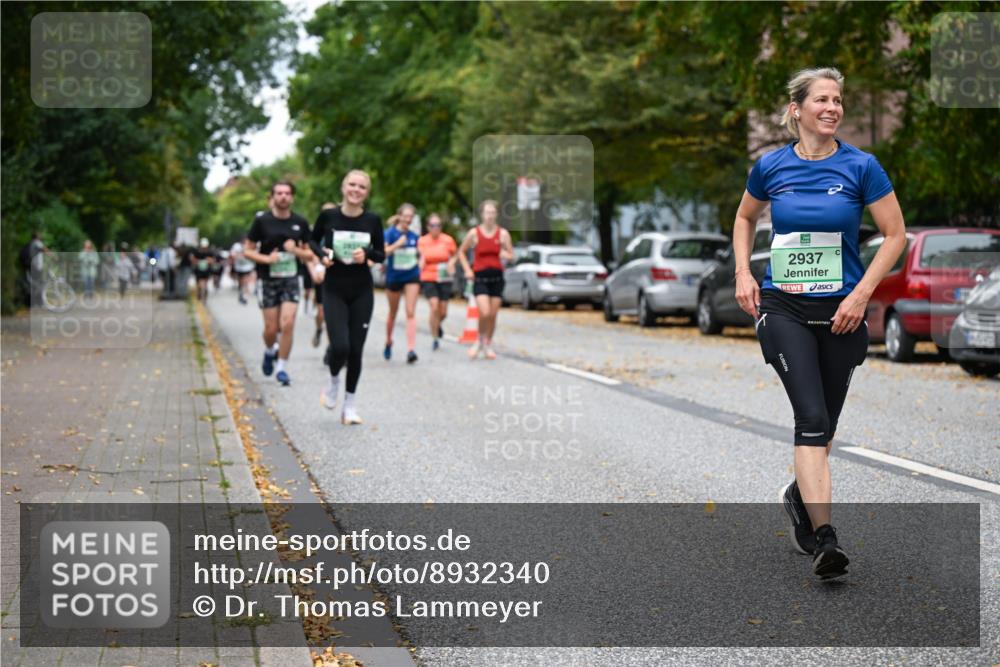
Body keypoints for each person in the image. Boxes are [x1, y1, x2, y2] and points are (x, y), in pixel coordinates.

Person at [733, 67, 906, 580]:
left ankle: (799, 496)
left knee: (824, 428)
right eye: (822, 99)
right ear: (797, 109)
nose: (832, 108)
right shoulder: (771, 166)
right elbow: (745, 217)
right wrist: (743, 272)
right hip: (783, 309)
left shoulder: (861, 167)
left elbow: (895, 235)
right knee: (810, 420)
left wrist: (861, 294)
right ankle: (826, 540)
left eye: (838, 100)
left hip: (842, 315)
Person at [310, 170, 385, 424]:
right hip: (334, 289)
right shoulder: (329, 216)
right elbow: (312, 241)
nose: (356, 190)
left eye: (362, 187)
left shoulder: (372, 220)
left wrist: (368, 255)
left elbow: (381, 253)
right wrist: (323, 255)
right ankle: (333, 382)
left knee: (356, 350)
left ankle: (350, 405)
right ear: (343, 188)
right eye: (352, 184)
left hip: (361, 290)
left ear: (367, 193)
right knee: (340, 346)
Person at [243, 182, 313, 386]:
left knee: (288, 323)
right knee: (271, 329)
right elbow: (247, 250)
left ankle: (282, 367)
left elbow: (310, 254)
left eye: (287, 193)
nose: (283, 196)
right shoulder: (262, 221)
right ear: (272, 197)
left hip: (291, 278)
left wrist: (295, 251)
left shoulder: (300, 222)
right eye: (279, 193)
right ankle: (269, 350)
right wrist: (267, 259)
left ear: (292, 197)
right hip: (268, 279)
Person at [456, 200, 513, 360]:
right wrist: (467, 269)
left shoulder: (503, 234)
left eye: (493, 212)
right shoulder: (474, 233)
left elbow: (511, 255)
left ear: (496, 215)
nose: (490, 216)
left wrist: (504, 254)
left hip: (497, 278)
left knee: (493, 315)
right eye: (487, 212)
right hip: (480, 278)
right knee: (485, 312)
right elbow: (461, 252)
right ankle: (478, 340)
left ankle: (487, 343)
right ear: (482, 214)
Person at [383, 203, 421, 363]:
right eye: (405, 216)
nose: (408, 219)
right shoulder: (389, 233)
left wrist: (421, 261)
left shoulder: (414, 235)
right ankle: (388, 341)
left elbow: (419, 253)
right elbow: (383, 252)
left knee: (410, 311)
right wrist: (398, 244)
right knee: (393, 312)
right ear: (399, 216)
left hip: (412, 275)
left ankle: (411, 349)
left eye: (411, 217)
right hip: (394, 277)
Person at [417, 212, 457, 351]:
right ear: (428, 227)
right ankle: (435, 338)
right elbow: (420, 257)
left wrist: (451, 263)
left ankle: (437, 324)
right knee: (434, 306)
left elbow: (455, 255)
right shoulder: (422, 241)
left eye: (438, 225)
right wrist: (420, 264)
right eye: (433, 225)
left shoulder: (448, 240)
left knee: (443, 311)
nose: (436, 228)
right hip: (428, 276)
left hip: (444, 277)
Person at [311, 203, 337, 347]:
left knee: (334, 315)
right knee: (322, 312)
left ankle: (331, 347)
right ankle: (319, 329)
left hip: (337, 274)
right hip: (322, 271)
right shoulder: (319, 230)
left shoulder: (341, 229)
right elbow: (312, 251)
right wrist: (317, 269)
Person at [230, 236, 255, 305]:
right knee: (241, 282)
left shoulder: (250, 246)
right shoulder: (236, 246)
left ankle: (244, 296)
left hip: (248, 267)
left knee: (246, 281)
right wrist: (239, 256)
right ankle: (241, 293)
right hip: (239, 268)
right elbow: (233, 255)